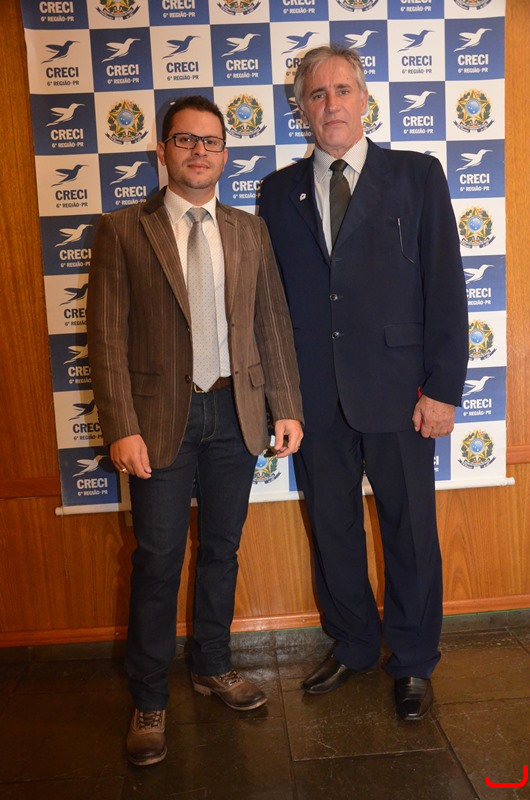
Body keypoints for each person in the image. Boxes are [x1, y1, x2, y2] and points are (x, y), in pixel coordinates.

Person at [87, 95, 303, 766]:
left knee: (222, 549)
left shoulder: (249, 230)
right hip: (159, 421)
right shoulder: (122, 230)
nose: (199, 151)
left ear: (225, 154)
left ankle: (212, 664)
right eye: (185, 140)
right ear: (163, 151)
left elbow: (272, 323)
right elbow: (106, 338)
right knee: (157, 561)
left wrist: (286, 406)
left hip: (235, 413)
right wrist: (121, 426)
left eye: (210, 142)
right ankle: (149, 699)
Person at [259, 46, 469, 721]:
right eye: (317, 95)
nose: (332, 105)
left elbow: (446, 286)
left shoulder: (416, 175)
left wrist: (444, 388)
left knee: (411, 532)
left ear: (365, 99)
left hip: (402, 394)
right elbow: (272, 306)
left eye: (342, 90)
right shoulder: (277, 193)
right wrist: (280, 398)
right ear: (302, 109)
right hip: (314, 398)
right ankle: (351, 644)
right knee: (333, 529)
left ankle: (412, 660)